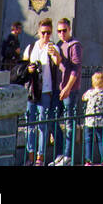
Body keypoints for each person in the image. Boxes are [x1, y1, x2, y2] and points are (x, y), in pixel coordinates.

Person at [23, 18, 61, 167]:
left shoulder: (53, 47)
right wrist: (29, 69)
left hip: (46, 90)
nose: (46, 36)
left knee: (42, 125)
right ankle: (30, 155)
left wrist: (54, 54)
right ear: (38, 32)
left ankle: (40, 156)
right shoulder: (31, 48)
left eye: (48, 33)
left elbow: (58, 62)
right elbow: (24, 65)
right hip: (32, 90)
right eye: (43, 33)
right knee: (30, 124)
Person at [54, 18, 83, 164]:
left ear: (69, 29)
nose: (61, 33)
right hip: (59, 88)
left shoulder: (74, 45)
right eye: (59, 31)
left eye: (64, 30)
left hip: (70, 90)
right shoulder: (59, 45)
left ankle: (67, 155)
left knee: (69, 123)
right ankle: (59, 153)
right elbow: (61, 65)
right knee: (53, 120)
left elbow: (75, 68)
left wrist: (67, 88)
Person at [82, 70, 103, 166]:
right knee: (101, 140)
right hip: (99, 120)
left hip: (89, 120)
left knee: (88, 140)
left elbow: (83, 98)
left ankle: (88, 160)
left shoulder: (90, 92)